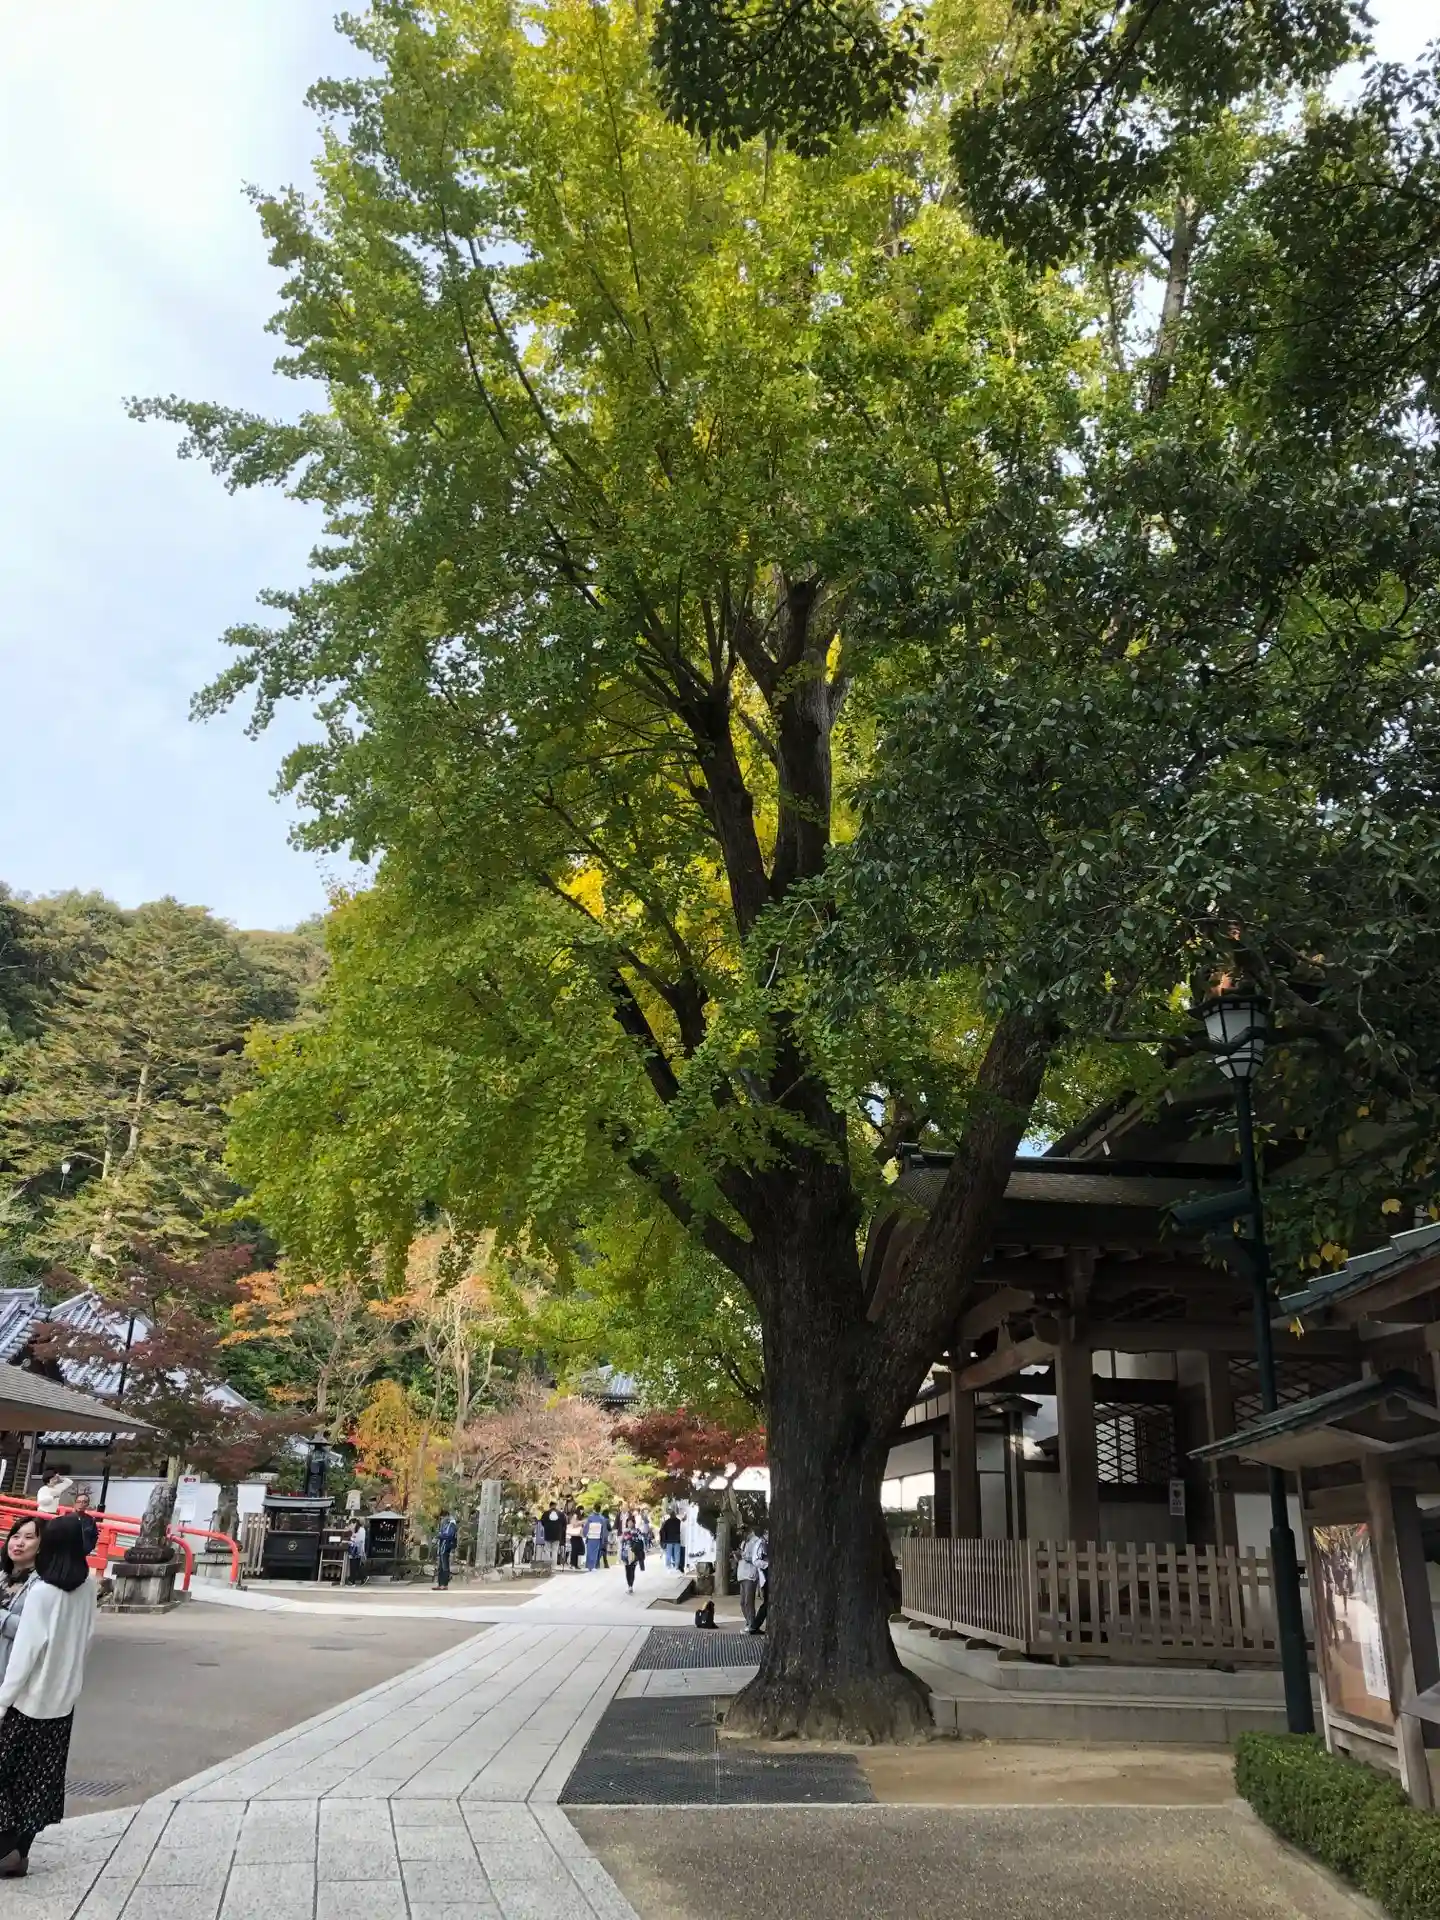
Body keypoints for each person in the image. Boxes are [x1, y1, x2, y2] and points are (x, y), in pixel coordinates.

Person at [0, 1515, 97, 1878]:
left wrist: (3, 1700)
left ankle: (5, 1850)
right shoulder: (88, 1586)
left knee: (7, 1776)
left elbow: (26, 1653)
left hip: (28, 1701)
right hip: (62, 1702)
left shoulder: (43, 1593)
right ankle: (19, 1853)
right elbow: (87, 1639)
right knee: (38, 1781)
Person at [0, 1520, 42, 1683]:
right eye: (15, 1536)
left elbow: (33, 1632)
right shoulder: (3, 1575)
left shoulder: (42, 1585)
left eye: (29, 1537)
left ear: (41, 1546)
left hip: (11, 1674)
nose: (19, 1543)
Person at [737, 1525, 762, 1632]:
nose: (741, 1535)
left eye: (742, 1533)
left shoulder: (756, 1541)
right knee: (742, 1602)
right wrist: (737, 1556)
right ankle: (749, 1623)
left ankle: (752, 1625)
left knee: (748, 1601)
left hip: (750, 1575)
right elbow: (742, 1558)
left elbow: (756, 1558)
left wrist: (743, 1555)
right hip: (742, 1574)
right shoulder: (743, 1543)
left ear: (747, 1532)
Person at [70, 1491, 99, 1560]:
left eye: (84, 1502)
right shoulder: (66, 1518)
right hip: (67, 1554)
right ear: (75, 1503)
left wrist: (88, 1548)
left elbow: (94, 1536)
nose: (81, 1504)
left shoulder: (91, 1520)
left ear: (87, 1504)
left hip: (82, 1555)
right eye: (79, 1502)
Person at [434, 1512, 459, 1590]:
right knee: (440, 1567)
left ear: (447, 1517)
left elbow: (449, 1535)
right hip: (442, 1547)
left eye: (442, 1518)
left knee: (445, 1566)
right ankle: (440, 1584)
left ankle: (444, 1584)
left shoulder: (451, 1524)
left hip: (446, 1547)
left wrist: (440, 1536)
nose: (442, 1519)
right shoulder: (445, 1525)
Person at [347, 1519, 368, 1585]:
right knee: (355, 1566)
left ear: (355, 1523)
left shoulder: (360, 1530)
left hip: (356, 1550)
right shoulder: (359, 1530)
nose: (351, 1526)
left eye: (351, 1524)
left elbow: (357, 1540)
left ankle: (355, 1579)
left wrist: (351, 1539)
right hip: (356, 1550)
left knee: (354, 1565)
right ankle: (358, 1579)